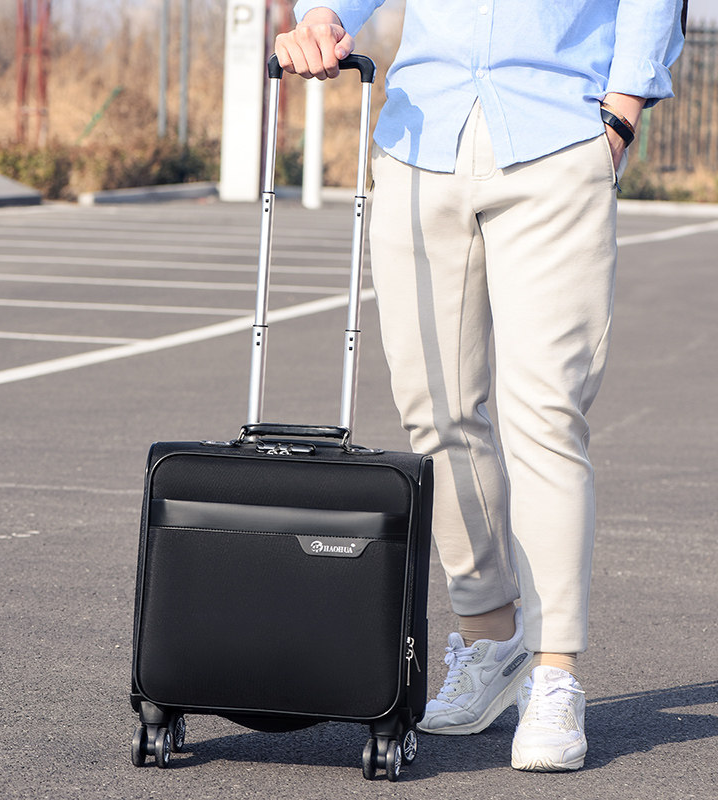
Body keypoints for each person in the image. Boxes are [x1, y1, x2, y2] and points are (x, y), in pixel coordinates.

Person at [276, 0, 685, 773]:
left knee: (546, 414)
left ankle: (554, 673)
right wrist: (322, 15)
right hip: (420, 137)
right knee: (433, 412)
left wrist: (621, 114)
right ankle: (491, 636)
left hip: (559, 135)